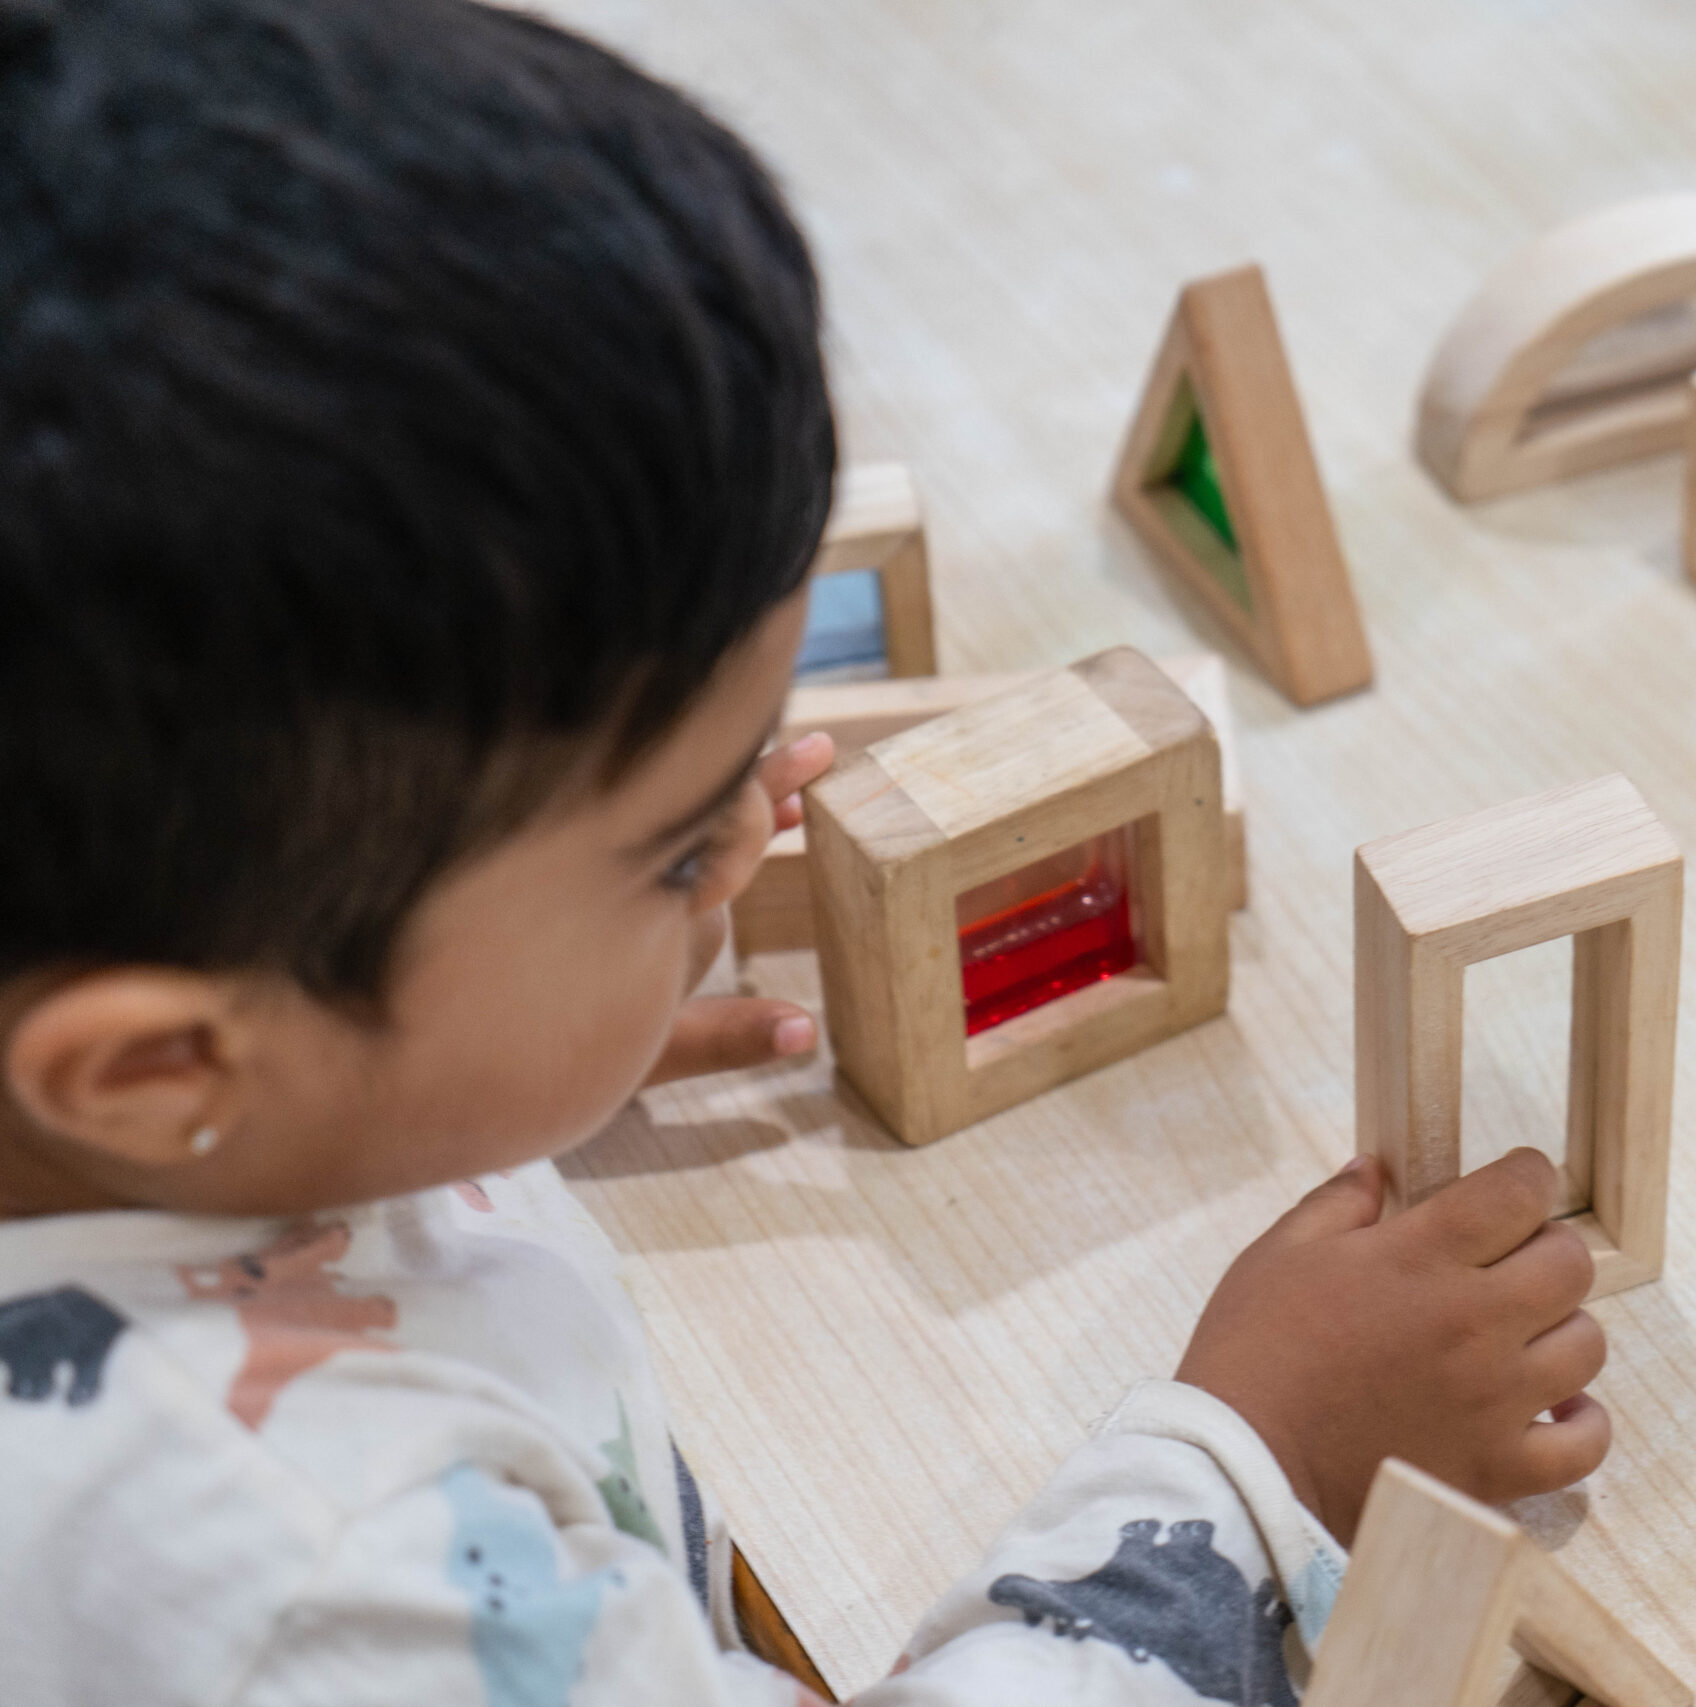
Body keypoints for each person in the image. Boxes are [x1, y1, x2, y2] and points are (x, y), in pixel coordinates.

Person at [0, 1, 1611, 1702]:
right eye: (670, 851)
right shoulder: (327, 1589)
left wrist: (431, 1075)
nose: (762, 831)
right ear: (166, 1065)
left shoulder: (130, 1017)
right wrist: (1256, 1466)